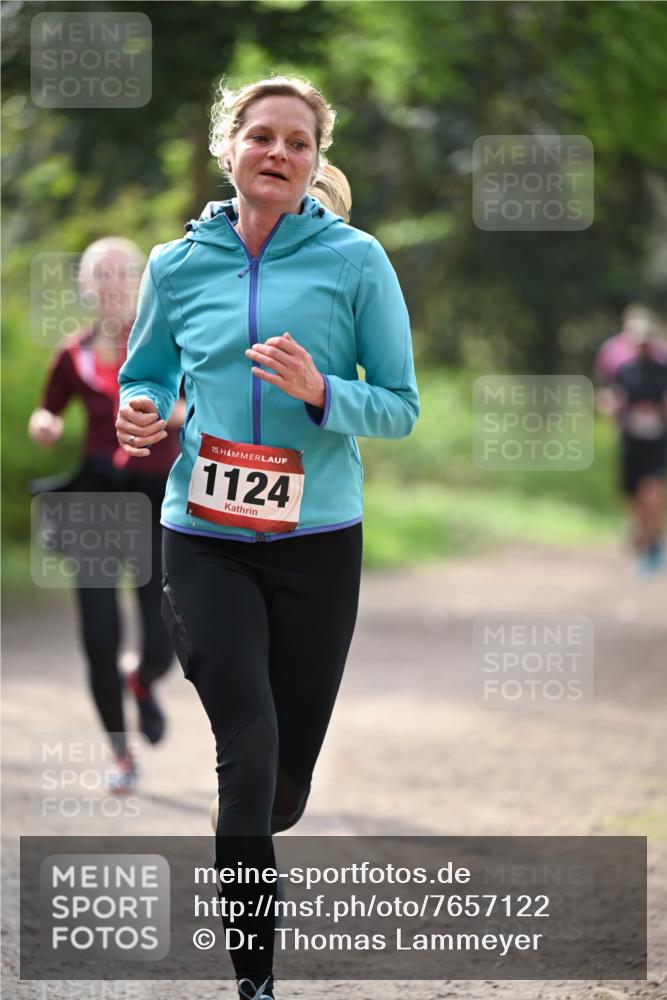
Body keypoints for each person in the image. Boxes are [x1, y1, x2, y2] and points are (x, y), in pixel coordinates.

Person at [116, 75, 419, 999]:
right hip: (203, 534)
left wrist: (321, 391)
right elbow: (150, 375)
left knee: (281, 783)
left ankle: (267, 812)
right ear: (230, 148)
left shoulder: (356, 261)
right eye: (261, 136)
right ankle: (255, 983)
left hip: (318, 542)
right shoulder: (177, 264)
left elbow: (401, 407)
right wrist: (142, 411)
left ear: (315, 161)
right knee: (244, 754)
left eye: (297, 141)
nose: (277, 153)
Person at [28, 237, 182, 793]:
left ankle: (142, 681)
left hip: (156, 497)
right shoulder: (72, 355)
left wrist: (176, 412)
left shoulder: (169, 345)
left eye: (123, 274)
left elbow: (203, 403)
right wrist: (44, 425)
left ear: (140, 281)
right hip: (95, 499)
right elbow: (47, 411)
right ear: (85, 287)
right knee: (98, 633)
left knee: (165, 631)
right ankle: (121, 753)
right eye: (101, 275)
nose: (112, 284)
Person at [595, 306, 667, 574]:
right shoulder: (625, 371)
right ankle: (645, 537)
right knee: (633, 494)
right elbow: (611, 397)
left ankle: (652, 546)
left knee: (652, 491)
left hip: (657, 440)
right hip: (630, 439)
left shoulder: (663, 370)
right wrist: (611, 408)